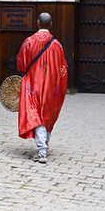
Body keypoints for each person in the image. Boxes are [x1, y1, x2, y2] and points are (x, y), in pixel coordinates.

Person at [17, 12, 67, 164]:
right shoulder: (57, 45)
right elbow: (63, 69)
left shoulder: (29, 41)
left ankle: (41, 150)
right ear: (50, 24)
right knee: (47, 113)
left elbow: (21, 64)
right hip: (52, 86)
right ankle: (45, 144)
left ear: (38, 23)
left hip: (32, 84)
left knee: (35, 114)